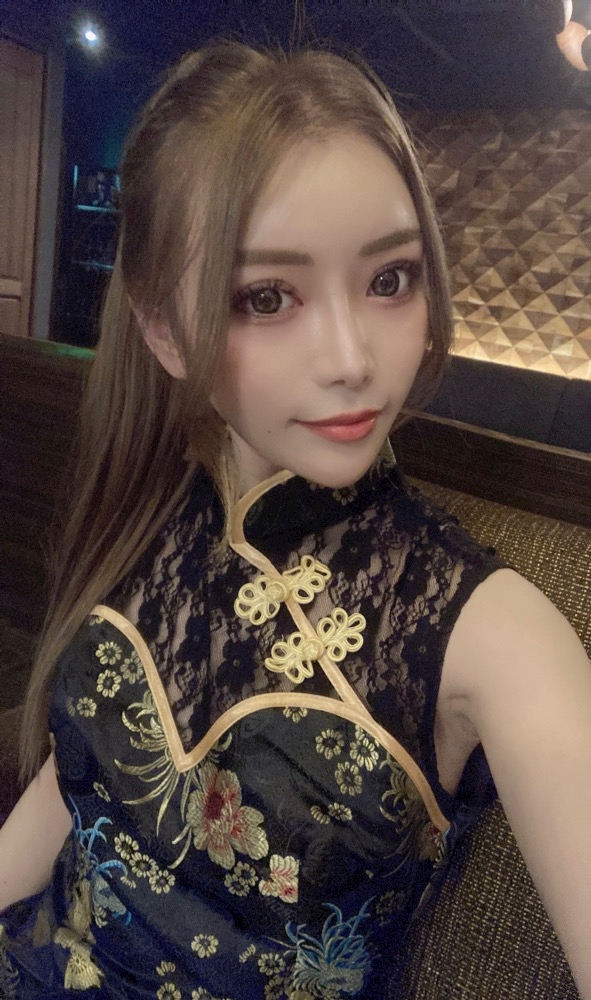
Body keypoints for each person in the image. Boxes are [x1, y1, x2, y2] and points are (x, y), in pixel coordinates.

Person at [0, 40, 590, 1000]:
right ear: (162, 329)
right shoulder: (158, 510)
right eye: (266, 297)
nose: (352, 358)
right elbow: (78, 789)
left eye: (389, 280)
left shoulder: (488, 631)